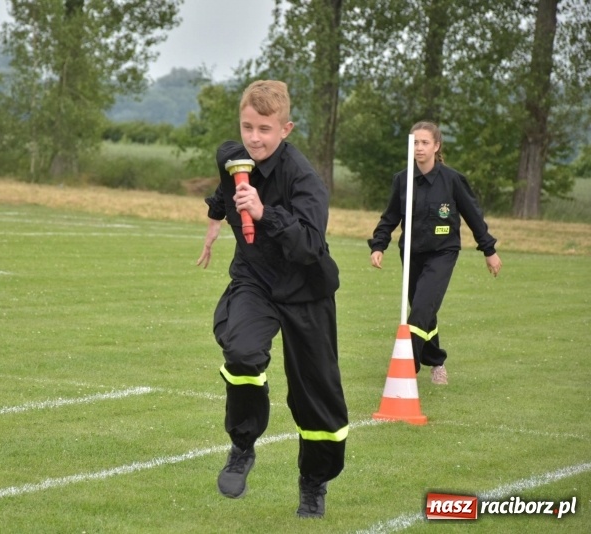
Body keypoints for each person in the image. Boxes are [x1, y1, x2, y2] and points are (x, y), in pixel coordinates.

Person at [197, 80, 348, 519]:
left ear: (286, 128)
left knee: (317, 396)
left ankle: (313, 484)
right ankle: (242, 446)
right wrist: (213, 216)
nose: (254, 138)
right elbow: (225, 167)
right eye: (247, 127)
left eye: (265, 129)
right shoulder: (235, 161)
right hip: (255, 280)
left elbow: (308, 246)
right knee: (241, 352)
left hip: (306, 289)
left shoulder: (305, 179)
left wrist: (265, 213)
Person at [368, 121, 502, 385]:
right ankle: (437, 362)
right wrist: (378, 245)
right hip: (411, 253)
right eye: (415, 142)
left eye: (425, 142)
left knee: (420, 309)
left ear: (436, 146)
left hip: (443, 253)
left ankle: (407, 365)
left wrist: (489, 249)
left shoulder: (452, 180)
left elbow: (473, 215)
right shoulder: (402, 179)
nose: (419, 147)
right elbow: (390, 217)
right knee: (424, 309)